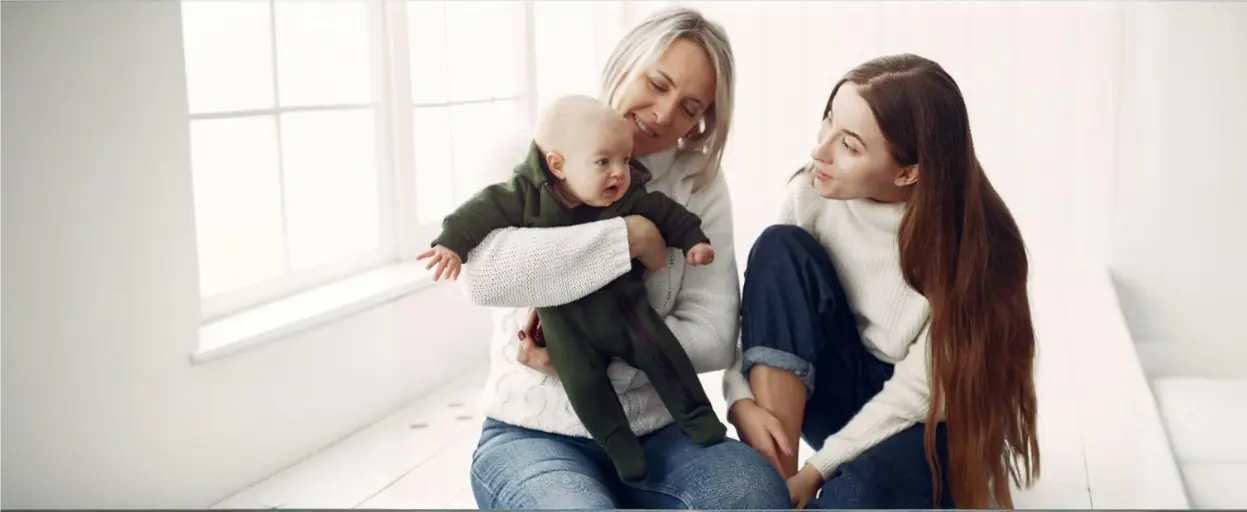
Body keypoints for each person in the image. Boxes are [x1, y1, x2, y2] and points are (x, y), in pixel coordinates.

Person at [458, 8, 788, 510]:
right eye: (656, 83)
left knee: (755, 493)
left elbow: (715, 335)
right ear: (624, 62)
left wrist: (587, 355)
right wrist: (626, 239)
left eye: (688, 107)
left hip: (664, 435)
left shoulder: (696, 183)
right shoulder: (526, 154)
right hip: (533, 433)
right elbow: (485, 277)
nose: (662, 113)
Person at [723, 53, 1043, 509]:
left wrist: (819, 470)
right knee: (779, 247)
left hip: (927, 424)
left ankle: (812, 486)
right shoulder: (811, 193)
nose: (820, 150)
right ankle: (771, 491)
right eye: (827, 122)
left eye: (849, 146)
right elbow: (764, 317)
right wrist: (739, 400)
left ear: (908, 172)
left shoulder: (978, 249)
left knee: (851, 497)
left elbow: (919, 393)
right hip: (840, 390)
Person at [420, 94, 725, 483]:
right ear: (558, 165)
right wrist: (450, 243)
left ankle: (698, 417)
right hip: (565, 325)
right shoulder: (524, 195)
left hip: (626, 310)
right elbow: (479, 212)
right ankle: (619, 446)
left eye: (625, 161)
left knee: (662, 354)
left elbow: (669, 214)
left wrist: (694, 239)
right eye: (604, 163)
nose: (619, 173)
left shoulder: (629, 195)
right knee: (585, 387)